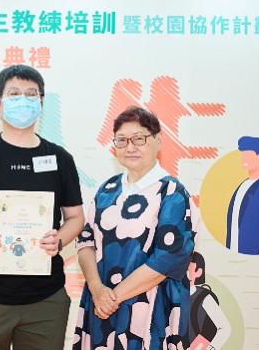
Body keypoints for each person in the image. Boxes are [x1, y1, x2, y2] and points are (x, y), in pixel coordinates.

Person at [0, 65, 85, 350]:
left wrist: (59, 238)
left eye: (31, 94)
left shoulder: (59, 158)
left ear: (41, 102)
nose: (23, 100)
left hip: (45, 299)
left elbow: (75, 217)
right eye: (14, 94)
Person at [73, 106, 200, 350]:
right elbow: (85, 241)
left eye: (139, 139)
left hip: (152, 309)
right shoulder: (107, 190)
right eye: (122, 141)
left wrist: (112, 298)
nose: (130, 147)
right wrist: (98, 290)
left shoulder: (172, 193)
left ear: (158, 140)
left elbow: (166, 260)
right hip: (101, 306)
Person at [226, 135, 259, 255]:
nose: (245, 159)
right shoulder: (242, 186)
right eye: (243, 155)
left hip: (255, 259)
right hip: (235, 253)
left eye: (249, 155)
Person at [188, 252, 230, 350]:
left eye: (188, 267)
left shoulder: (204, 297)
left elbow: (224, 327)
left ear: (198, 272)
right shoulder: (172, 295)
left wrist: (210, 348)